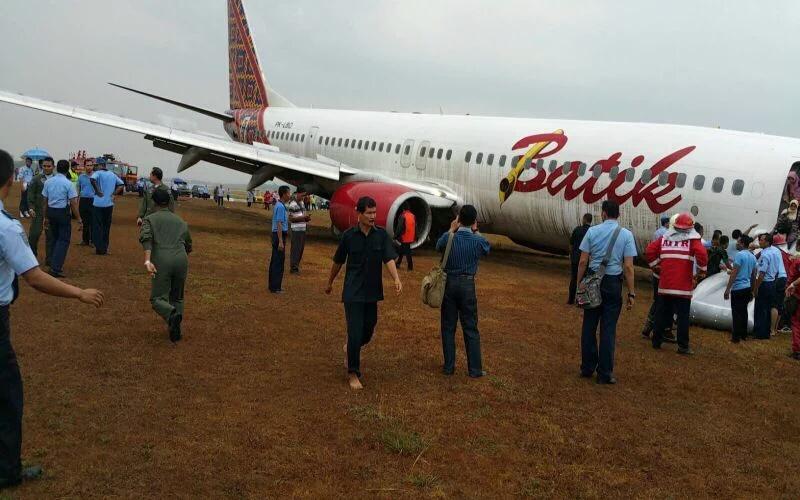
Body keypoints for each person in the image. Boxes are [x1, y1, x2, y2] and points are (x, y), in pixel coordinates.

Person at [0, 149, 104, 490]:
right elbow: (35, 277)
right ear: (10, 181)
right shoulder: (6, 229)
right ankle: (7, 470)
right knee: (8, 395)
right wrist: (78, 293)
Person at [325, 196, 402, 390]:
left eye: (374, 212)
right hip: (353, 292)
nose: (373, 216)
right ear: (358, 213)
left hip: (372, 291)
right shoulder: (349, 236)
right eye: (369, 213)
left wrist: (396, 278)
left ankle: (350, 347)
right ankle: (353, 373)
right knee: (355, 330)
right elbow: (338, 261)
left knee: (367, 331)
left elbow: (389, 258)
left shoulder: (381, 235)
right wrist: (330, 281)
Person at [576, 200, 637, 384]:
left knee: (589, 326)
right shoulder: (626, 235)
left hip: (594, 281)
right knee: (608, 329)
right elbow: (628, 267)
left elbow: (582, 261)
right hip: (612, 283)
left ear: (603, 213)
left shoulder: (592, 232)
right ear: (618, 215)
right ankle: (605, 373)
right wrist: (631, 292)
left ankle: (587, 367)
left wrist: (579, 283)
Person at [436, 205, 490, 378]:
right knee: (470, 327)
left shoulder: (449, 237)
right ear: (474, 221)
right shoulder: (477, 241)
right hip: (467, 284)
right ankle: (474, 369)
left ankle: (449, 366)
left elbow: (438, 246)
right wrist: (476, 231)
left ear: (458, 219)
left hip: (450, 283)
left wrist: (451, 229)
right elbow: (487, 248)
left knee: (448, 326)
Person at [646, 212, 708, 354]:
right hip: (683, 288)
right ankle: (683, 346)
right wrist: (701, 272)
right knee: (682, 317)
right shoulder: (693, 240)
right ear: (690, 227)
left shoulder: (664, 238)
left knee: (661, 313)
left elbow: (649, 250)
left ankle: (656, 341)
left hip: (665, 285)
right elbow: (702, 255)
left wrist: (655, 266)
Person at [139, 189, 192, 343]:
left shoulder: (149, 219)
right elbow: (189, 244)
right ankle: (176, 328)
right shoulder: (181, 221)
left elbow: (146, 239)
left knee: (157, 298)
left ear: (154, 202)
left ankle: (172, 315)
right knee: (178, 297)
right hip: (181, 259)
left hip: (162, 259)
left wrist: (147, 260)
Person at [641, 215, 677, 342]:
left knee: (659, 302)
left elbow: (650, 251)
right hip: (665, 277)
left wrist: (655, 266)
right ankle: (661, 331)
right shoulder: (670, 237)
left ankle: (650, 328)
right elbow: (650, 251)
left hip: (660, 275)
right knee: (665, 304)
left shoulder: (662, 235)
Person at [41, 160, 80, 277]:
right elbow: (73, 203)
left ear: (56, 168)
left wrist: (45, 216)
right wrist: (79, 218)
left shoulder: (48, 182)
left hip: (51, 211)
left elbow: (45, 201)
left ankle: (52, 262)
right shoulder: (69, 184)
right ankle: (55, 268)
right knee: (63, 240)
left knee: (54, 238)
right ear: (67, 169)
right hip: (62, 212)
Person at [724, 235, 757, 343]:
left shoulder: (739, 255)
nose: (736, 244)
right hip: (747, 287)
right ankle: (743, 334)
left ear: (742, 244)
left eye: (738, 242)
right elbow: (753, 275)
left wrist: (728, 289)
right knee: (743, 312)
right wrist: (752, 290)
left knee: (736, 312)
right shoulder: (752, 256)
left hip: (738, 288)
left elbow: (734, 272)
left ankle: (735, 337)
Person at [753, 233, 785, 340]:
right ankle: (766, 332)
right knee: (767, 307)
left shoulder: (765, 255)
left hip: (765, 283)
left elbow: (761, 274)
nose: (759, 242)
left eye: (761, 240)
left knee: (760, 308)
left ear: (767, 242)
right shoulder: (775, 252)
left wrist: (756, 287)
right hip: (772, 282)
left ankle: (759, 333)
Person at [90, 158, 124, 255]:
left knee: (97, 226)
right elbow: (121, 184)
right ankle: (104, 248)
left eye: (96, 165)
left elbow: (92, 179)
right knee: (106, 227)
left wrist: (97, 191)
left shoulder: (98, 173)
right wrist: (114, 194)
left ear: (100, 165)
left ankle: (99, 248)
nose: (95, 166)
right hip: (109, 204)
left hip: (97, 204)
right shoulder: (112, 174)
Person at [26, 157, 55, 265]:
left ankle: (50, 259)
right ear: (42, 166)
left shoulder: (56, 179)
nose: (46, 168)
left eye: (49, 166)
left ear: (53, 166)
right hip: (38, 211)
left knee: (51, 236)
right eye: (44, 166)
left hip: (52, 211)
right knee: (34, 234)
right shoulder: (36, 179)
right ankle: (32, 258)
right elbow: (30, 194)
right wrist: (31, 207)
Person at [268, 185, 291, 292]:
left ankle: (272, 285)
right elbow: (279, 224)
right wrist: (281, 241)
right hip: (279, 236)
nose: (289, 195)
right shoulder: (281, 206)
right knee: (278, 261)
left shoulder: (279, 205)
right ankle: (276, 287)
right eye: (288, 193)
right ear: (284, 194)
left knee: (275, 260)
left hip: (276, 235)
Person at [567, 213, 593, 305]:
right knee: (584, 279)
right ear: (590, 221)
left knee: (574, 278)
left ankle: (570, 299)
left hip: (575, 258)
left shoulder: (577, 229)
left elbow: (571, 243)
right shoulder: (592, 231)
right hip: (586, 260)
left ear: (584, 219)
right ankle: (581, 300)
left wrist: (571, 254)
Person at [287, 188, 311, 274]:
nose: (304, 197)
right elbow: (290, 219)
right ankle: (293, 268)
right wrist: (302, 218)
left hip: (302, 229)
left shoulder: (301, 203)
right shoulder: (292, 204)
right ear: (297, 194)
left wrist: (306, 218)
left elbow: (303, 215)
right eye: (302, 195)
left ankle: (296, 266)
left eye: (305, 195)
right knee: (296, 249)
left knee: (300, 249)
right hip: (296, 230)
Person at [771, 234, 790, 335]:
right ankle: (776, 328)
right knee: (780, 304)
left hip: (777, 278)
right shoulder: (786, 254)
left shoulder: (772, 252)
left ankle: (771, 330)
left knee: (773, 305)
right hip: (785, 279)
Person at [784, 254, 800, 359]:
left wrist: (792, 284)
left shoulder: (798, 261)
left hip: (797, 295)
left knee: (796, 323)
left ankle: (797, 351)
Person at [394, 204, 417, 272]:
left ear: (403, 209)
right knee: (402, 249)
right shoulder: (413, 216)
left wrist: (395, 236)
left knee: (407, 252)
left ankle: (410, 267)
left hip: (404, 236)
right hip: (411, 237)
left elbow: (399, 227)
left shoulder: (402, 216)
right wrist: (416, 236)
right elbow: (415, 226)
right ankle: (398, 264)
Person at [76, 165, 95, 246]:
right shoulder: (81, 177)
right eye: (87, 165)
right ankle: (85, 240)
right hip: (83, 200)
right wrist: (77, 198)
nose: (89, 167)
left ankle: (92, 240)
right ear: (84, 166)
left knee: (93, 221)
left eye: (91, 165)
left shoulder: (96, 176)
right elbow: (78, 188)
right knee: (84, 221)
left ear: (93, 166)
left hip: (93, 200)